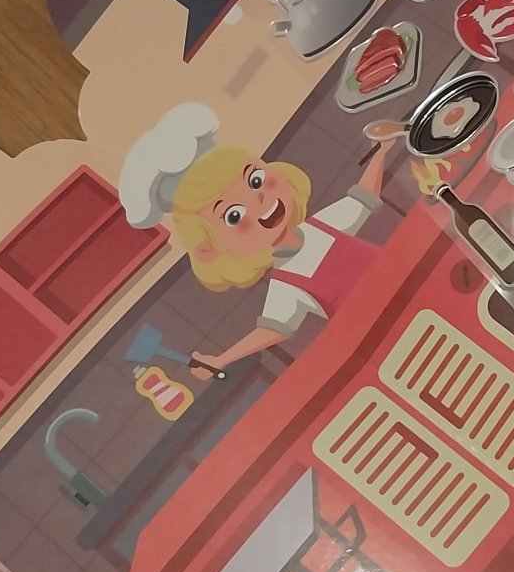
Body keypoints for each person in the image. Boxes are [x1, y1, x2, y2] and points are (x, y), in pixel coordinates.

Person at [119, 102, 392, 377]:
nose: (259, 199)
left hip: (406, 277)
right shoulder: (286, 282)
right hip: (379, 334)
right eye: (233, 216)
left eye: (256, 181)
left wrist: (381, 152)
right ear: (210, 248)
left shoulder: (323, 225)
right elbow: (272, 329)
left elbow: (363, 198)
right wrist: (222, 359)